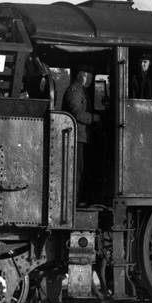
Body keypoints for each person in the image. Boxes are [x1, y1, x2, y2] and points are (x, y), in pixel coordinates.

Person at [63, 66, 101, 206]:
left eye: (91, 77)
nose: (89, 80)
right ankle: (74, 200)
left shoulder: (81, 91)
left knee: (81, 169)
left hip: (82, 136)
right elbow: (77, 113)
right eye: (87, 76)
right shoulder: (74, 92)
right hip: (77, 137)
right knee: (77, 170)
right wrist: (93, 118)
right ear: (79, 76)